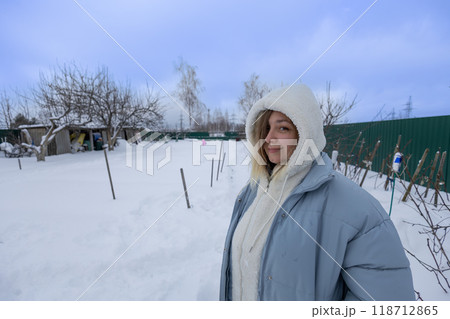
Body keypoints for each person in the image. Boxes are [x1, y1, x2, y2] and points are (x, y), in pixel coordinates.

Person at [219, 84, 415, 301]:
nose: (268, 138)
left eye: (282, 128)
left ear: (305, 133)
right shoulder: (251, 192)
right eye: (266, 128)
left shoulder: (356, 209)